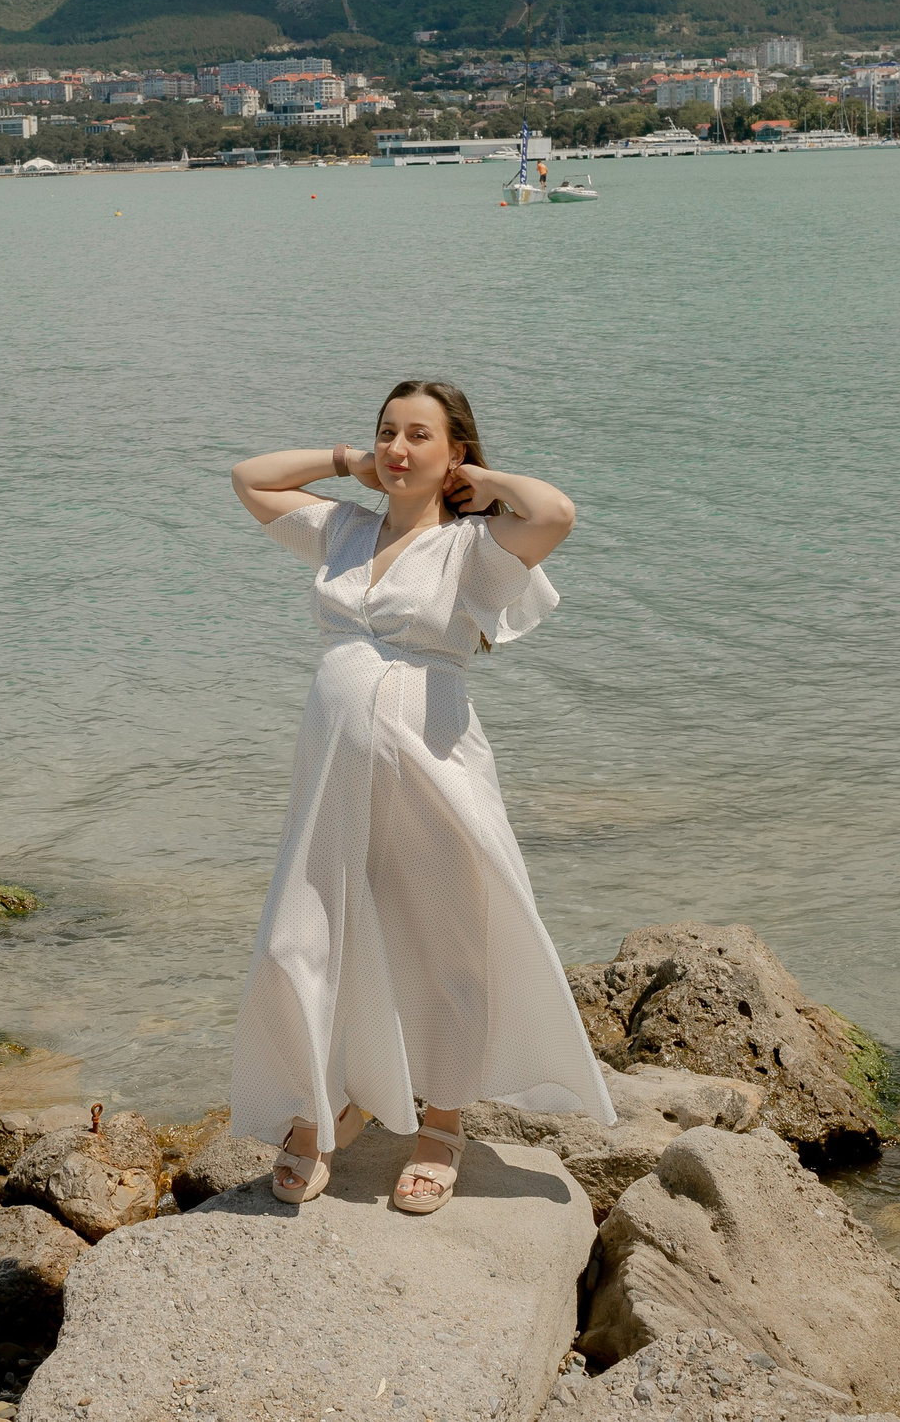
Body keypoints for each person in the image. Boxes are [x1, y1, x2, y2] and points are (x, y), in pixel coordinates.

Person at [228, 380, 616, 1214]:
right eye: (387, 433)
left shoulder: (472, 549)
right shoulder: (340, 529)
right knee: (301, 938)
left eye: (419, 437)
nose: (398, 448)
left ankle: (442, 1124)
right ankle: (321, 1109)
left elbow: (555, 513)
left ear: (454, 456)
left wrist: (488, 485)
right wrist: (347, 463)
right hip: (330, 773)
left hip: (434, 764)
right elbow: (249, 478)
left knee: (443, 942)